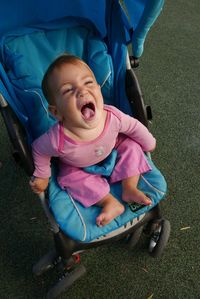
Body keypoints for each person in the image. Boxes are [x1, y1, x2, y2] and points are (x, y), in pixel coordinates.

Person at [30, 54, 156, 227]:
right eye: (68, 90)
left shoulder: (112, 116)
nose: (82, 91)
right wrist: (42, 175)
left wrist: (148, 141)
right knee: (67, 177)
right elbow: (39, 149)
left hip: (113, 148)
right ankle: (108, 202)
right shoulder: (57, 138)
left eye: (88, 83)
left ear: (98, 88)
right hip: (77, 165)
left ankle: (129, 188)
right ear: (56, 112)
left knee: (132, 146)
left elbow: (133, 126)